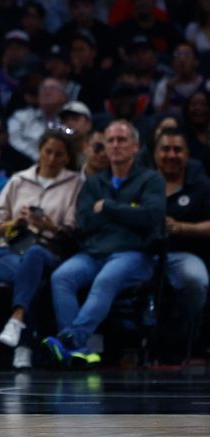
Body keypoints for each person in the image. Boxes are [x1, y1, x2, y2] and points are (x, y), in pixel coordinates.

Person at [45, 120, 166, 366]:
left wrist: (109, 208)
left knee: (106, 279)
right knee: (62, 276)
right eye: (110, 141)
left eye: (121, 140)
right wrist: (127, 213)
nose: (115, 145)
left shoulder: (150, 180)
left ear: (136, 146)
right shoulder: (94, 183)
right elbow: (85, 221)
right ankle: (76, 350)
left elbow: (151, 217)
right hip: (94, 253)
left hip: (133, 254)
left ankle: (71, 340)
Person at [0, 130, 83, 369]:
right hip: (10, 248)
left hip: (47, 249)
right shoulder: (19, 180)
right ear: (39, 151)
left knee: (32, 260)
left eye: (59, 154)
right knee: (27, 274)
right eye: (48, 152)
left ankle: (17, 322)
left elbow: (73, 229)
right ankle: (23, 342)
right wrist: (15, 223)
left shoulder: (75, 183)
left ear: (67, 157)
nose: (52, 159)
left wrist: (52, 226)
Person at [152, 127, 210, 364]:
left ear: (187, 155)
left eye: (178, 150)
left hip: (185, 254)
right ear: (156, 153)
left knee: (196, 281)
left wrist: (181, 227)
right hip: (142, 253)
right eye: (166, 149)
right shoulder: (142, 182)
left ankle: (176, 344)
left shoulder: (201, 187)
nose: (171, 155)